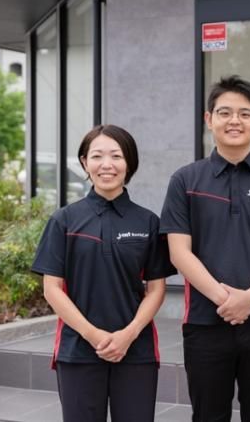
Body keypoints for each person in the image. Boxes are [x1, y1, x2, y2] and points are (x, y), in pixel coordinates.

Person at [160, 75, 250, 421]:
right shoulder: (185, 180)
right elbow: (179, 252)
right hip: (206, 323)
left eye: (244, 113)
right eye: (225, 113)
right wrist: (226, 300)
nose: (234, 121)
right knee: (208, 415)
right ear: (209, 119)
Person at [32, 124, 176, 422]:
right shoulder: (64, 220)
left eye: (116, 156)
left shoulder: (148, 222)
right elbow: (52, 289)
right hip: (78, 350)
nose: (106, 164)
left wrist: (128, 334)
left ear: (129, 163)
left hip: (136, 350)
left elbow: (156, 289)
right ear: (84, 162)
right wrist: (94, 335)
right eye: (97, 156)